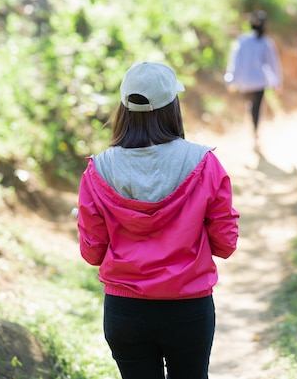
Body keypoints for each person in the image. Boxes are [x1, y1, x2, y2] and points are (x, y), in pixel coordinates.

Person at [77, 61, 239, 379]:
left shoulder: (99, 170)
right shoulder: (204, 163)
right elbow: (226, 243)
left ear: (124, 108)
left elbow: (92, 252)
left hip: (126, 310)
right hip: (188, 308)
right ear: (171, 108)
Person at [224, 10, 283, 150]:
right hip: (258, 83)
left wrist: (231, 80)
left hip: (245, 83)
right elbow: (273, 64)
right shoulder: (265, 42)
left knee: (250, 106)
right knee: (257, 109)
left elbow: (235, 61)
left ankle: (253, 132)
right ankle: (255, 134)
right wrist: (276, 82)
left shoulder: (242, 41)